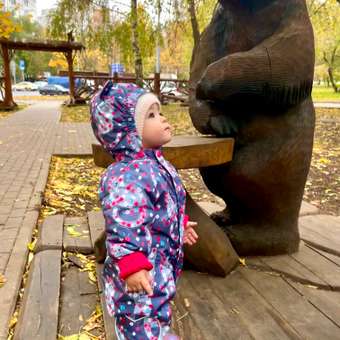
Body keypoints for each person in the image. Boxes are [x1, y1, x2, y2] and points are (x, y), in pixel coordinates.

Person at [90, 81, 198, 339]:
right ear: (128, 130)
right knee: (140, 322)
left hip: (157, 266)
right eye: (150, 115)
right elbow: (124, 221)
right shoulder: (127, 176)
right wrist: (130, 262)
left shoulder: (156, 164)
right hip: (138, 273)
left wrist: (179, 223)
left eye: (159, 112)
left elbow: (161, 203)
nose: (162, 119)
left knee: (157, 311)